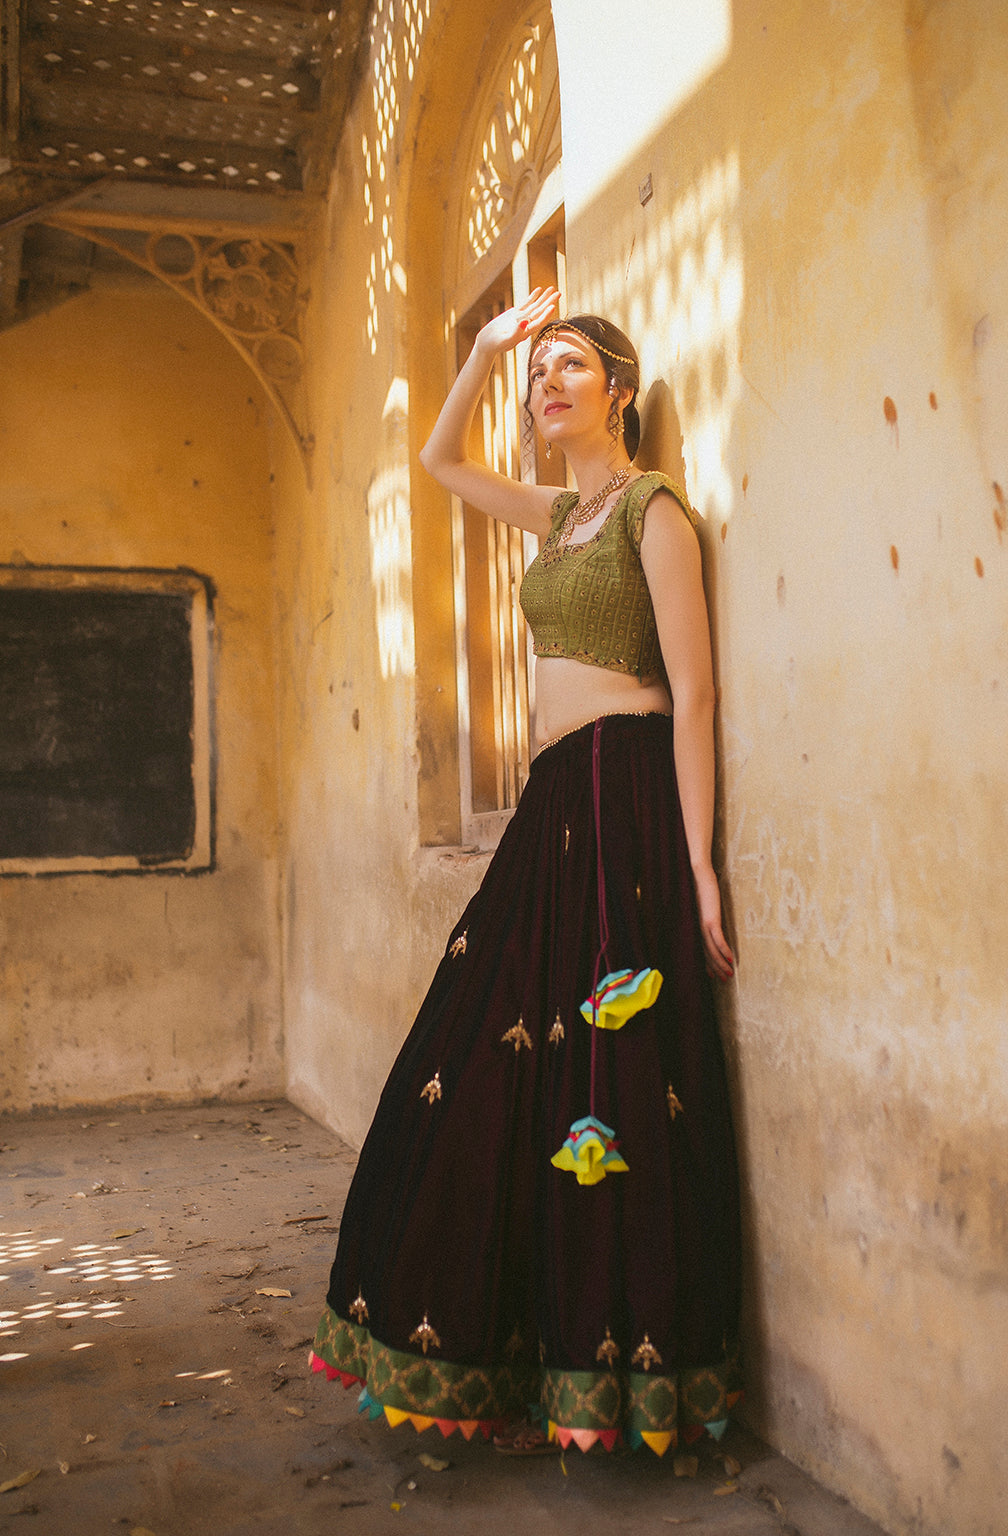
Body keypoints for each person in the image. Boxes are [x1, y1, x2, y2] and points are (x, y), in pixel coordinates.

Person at [310, 289, 742, 1456]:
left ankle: (620, 1376)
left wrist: (698, 867)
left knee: (609, 1073)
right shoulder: (558, 516)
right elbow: (440, 462)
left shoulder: (654, 515)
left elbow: (692, 695)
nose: (542, 385)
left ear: (619, 391)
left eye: (564, 366)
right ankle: (503, 1353)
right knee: (478, 1048)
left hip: (623, 792)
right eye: (534, 373)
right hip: (555, 795)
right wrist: (486, 348)